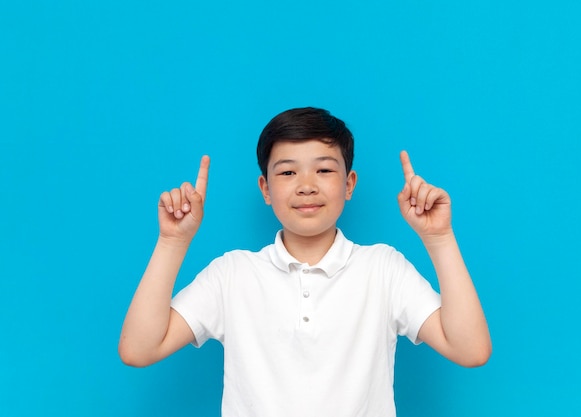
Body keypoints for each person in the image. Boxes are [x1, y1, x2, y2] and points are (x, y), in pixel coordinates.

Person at [119, 107, 491, 417]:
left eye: (325, 170)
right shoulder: (232, 274)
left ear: (349, 184)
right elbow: (139, 349)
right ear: (265, 188)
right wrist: (172, 241)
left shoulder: (383, 268)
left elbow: (470, 349)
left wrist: (439, 238)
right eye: (287, 172)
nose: (306, 185)